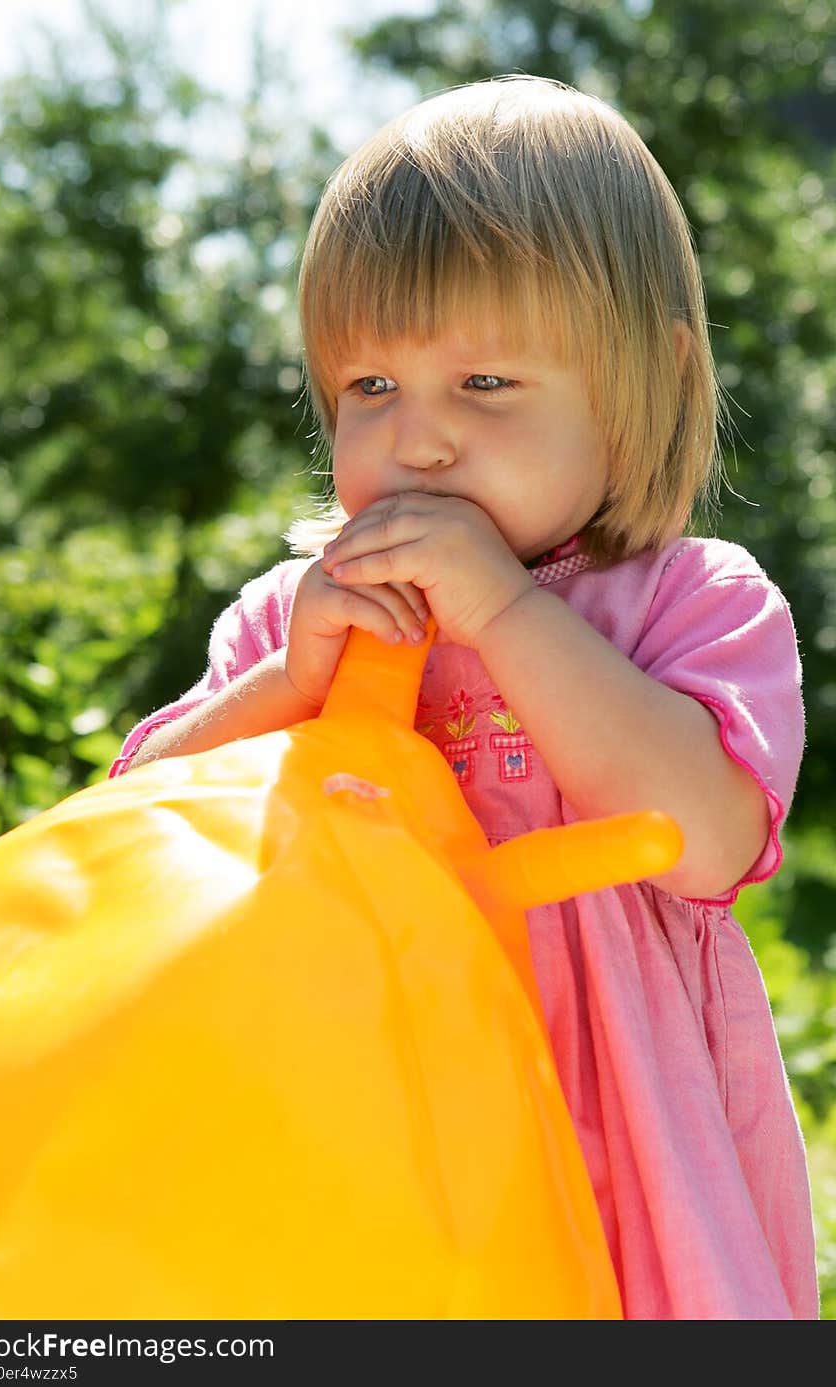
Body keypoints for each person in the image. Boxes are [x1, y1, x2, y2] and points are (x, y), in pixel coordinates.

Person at [110, 75, 818, 1319]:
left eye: (484, 385)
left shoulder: (686, 601)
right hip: (359, 1118)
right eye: (370, 388)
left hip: (605, 1132)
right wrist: (290, 684)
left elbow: (708, 840)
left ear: (640, 382)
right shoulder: (295, 616)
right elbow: (131, 844)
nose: (420, 441)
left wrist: (503, 612)